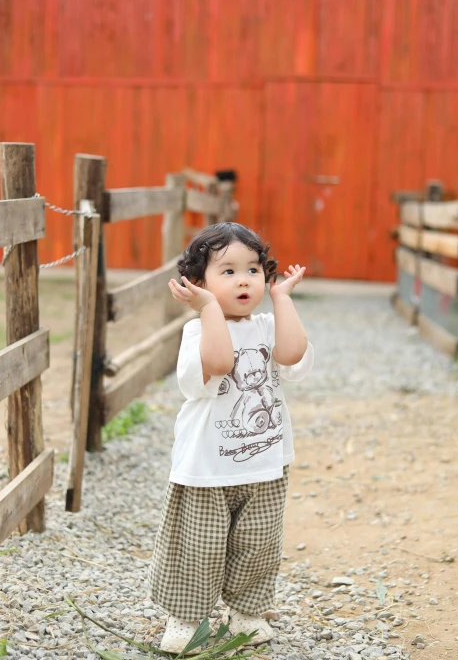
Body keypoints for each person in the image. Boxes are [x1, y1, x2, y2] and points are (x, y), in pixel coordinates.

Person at [148, 222, 314, 655]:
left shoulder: (266, 325)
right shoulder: (197, 331)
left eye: (254, 270)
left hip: (264, 462)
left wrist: (282, 300)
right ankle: (186, 617)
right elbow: (220, 363)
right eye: (227, 271)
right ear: (197, 283)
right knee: (198, 545)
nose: (244, 279)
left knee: (258, 543)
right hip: (207, 467)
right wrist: (207, 309)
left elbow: (293, 355)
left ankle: (247, 611)